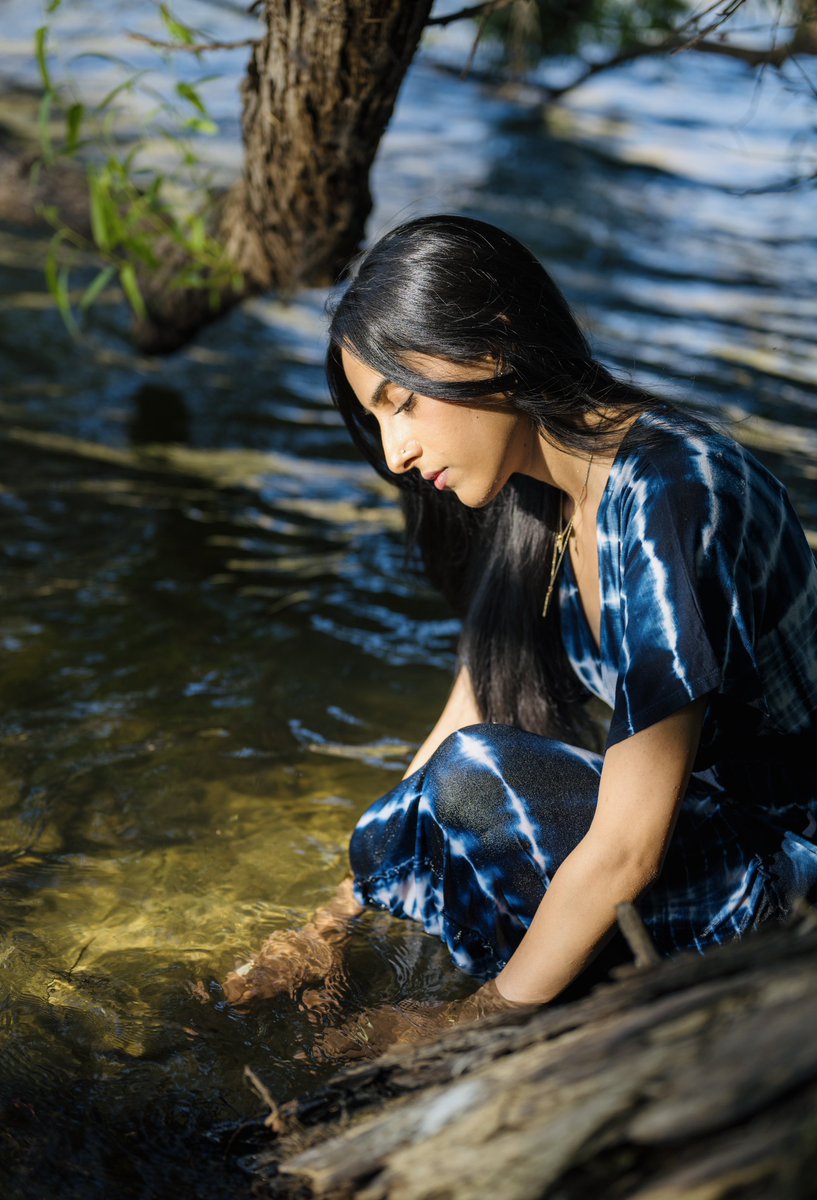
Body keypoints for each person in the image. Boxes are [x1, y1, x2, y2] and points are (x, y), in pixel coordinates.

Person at [223, 215, 817, 1025]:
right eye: (377, 418)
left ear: (495, 342)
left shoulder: (672, 493)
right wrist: (326, 928)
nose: (394, 451)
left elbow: (628, 846)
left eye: (401, 402)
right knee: (394, 830)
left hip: (788, 880)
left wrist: (464, 1030)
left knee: (476, 781)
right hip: (712, 843)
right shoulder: (540, 501)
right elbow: (464, 714)